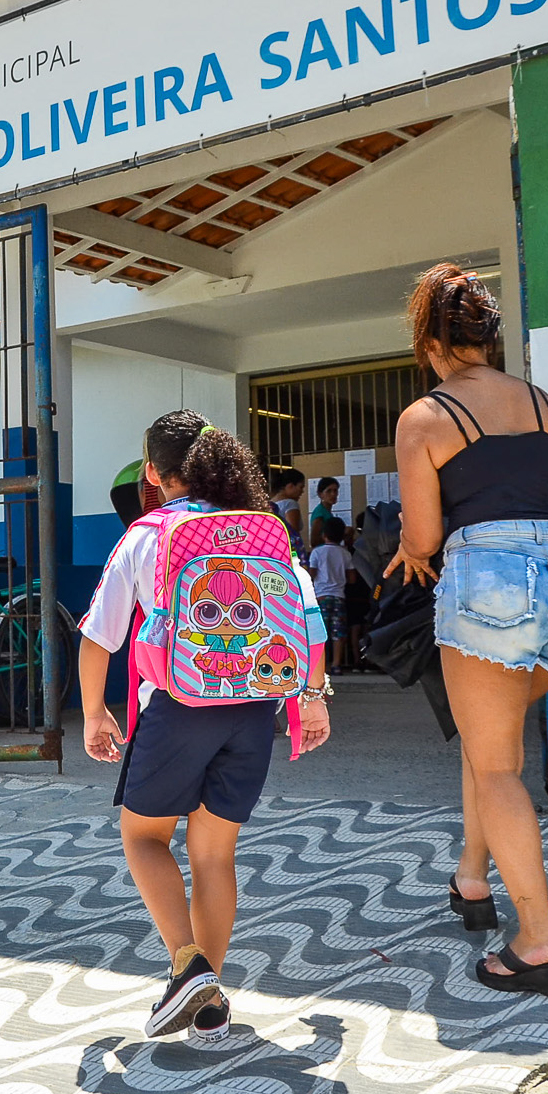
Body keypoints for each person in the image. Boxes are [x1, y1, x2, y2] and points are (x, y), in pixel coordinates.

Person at [80, 411, 333, 1041]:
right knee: (216, 855)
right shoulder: (267, 529)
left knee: (142, 838)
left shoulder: (150, 531)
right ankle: (208, 998)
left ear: (155, 474)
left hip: (178, 710)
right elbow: (310, 624)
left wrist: (92, 711)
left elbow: (98, 636)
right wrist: (312, 698)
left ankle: (187, 966)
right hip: (254, 711)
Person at [385, 264, 548, 999]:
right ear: (489, 337)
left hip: (489, 588)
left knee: (499, 766)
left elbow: (421, 534)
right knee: (492, 745)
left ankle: (541, 939)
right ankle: (471, 880)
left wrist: (418, 550)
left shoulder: (425, 417)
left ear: (429, 341)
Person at [310, 516, 350, 674]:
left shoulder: (317, 552)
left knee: (320, 632)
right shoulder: (345, 553)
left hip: (321, 597)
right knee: (338, 632)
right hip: (339, 596)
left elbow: (312, 574)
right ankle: (336, 664)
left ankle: (320, 666)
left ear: (323, 534)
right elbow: (352, 577)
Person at [271, 468, 308, 559]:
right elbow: (293, 532)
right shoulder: (290, 504)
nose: (302, 491)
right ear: (290, 486)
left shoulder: (270, 503)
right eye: (300, 487)